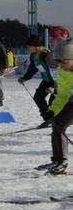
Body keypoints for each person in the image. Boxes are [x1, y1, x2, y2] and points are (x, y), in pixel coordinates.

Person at [39, 38, 73, 175]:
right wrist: (52, 111)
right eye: (57, 61)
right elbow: (63, 95)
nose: (61, 65)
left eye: (64, 61)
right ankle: (59, 161)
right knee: (57, 123)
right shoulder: (62, 71)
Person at [18, 34, 55, 118]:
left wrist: (52, 86)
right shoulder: (33, 55)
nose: (27, 47)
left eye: (29, 45)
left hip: (56, 81)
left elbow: (54, 71)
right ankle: (47, 118)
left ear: (35, 46)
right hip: (47, 80)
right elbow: (33, 68)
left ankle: (55, 120)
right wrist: (25, 78)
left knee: (53, 102)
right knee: (38, 97)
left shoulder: (44, 53)